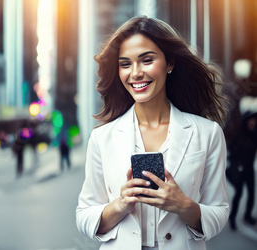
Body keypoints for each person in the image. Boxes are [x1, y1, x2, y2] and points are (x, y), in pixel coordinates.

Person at [76, 16, 229, 250]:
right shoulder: (102, 137)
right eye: (125, 64)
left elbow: (219, 212)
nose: (135, 73)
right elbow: (84, 216)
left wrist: (182, 205)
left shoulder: (207, 133)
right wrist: (120, 204)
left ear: (170, 63)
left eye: (146, 60)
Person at [227, 112, 257, 230]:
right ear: (246, 122)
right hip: (238, 168)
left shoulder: (254, 135)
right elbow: (230, 149)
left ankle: (247, 216)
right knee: (238, 194)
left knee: (251, 194)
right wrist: (236, 162)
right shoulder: (239, 135)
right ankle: (232, 218)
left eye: (254, 122)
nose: (252, 124)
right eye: (250, 122)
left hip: (249, 169)